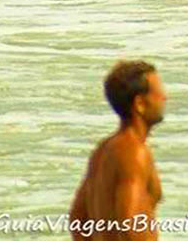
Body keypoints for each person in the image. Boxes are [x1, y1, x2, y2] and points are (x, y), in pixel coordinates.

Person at [68, 60, 165, 241]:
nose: (165, 97)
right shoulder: (134, 152)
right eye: (159, 93)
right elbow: (130, 225)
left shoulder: (104, 149)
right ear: (140, 104)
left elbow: (78, 220)